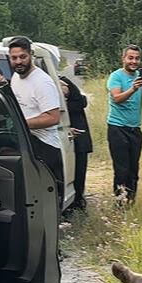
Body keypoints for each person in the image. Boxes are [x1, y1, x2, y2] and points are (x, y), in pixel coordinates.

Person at [7, 36, 64, 208]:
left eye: (22, 57)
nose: (18, 61)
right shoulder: (16, 78)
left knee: (48, 202)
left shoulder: (42, 82)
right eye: (14, 58)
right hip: (26, 143)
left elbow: (53, 117)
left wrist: (21, 124)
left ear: (31, 55)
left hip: (45, 146)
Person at [106, 45, 142, 203]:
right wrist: (133, 88)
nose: (134, 61)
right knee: (121, 169)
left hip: (135, 129)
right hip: (117, 128)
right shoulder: (116, 76)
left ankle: (130, 201)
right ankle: (120, 202)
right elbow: (116, 98)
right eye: (130, 58)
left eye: (137, 58)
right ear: (123, 59)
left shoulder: (139, 76)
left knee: (133, 168)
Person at [59, 75, 91, 211]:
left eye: (64, 88)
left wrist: (67, 87)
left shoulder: (75, 101)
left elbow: (81, 101)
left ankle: (78, 200)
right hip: (63, 139)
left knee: (79, 172)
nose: (62, 91)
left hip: (79, 140)